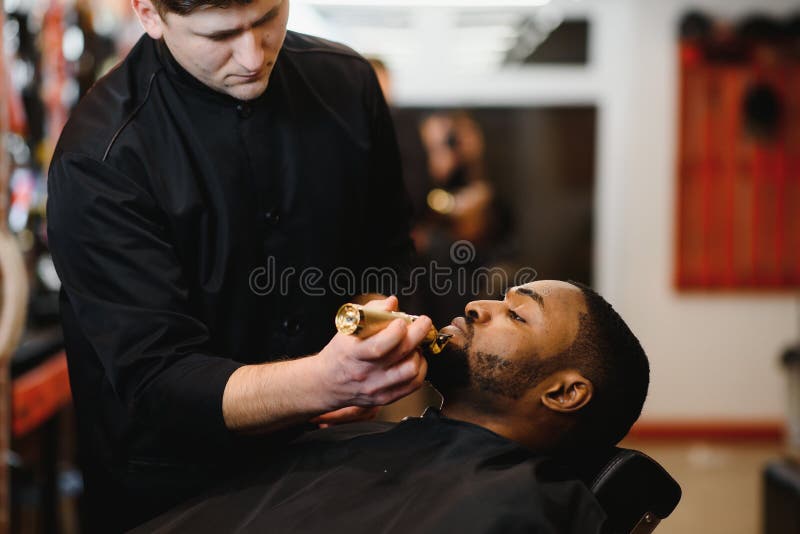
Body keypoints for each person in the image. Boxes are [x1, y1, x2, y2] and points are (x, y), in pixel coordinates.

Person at [46, 0, 429, 531]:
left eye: (267, 17)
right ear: (149, 14)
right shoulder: (101, 158)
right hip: (176, 496)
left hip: (337, 467)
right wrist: (323, 382)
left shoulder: (348, 85)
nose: (252, 56)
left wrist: (371, 333)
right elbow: (161, 379)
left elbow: (384, 254)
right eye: (220, 34)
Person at [134, 279, 650, 533]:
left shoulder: (518, 510)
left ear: (563, 393)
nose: (475, 306)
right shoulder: (359, 431)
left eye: (515, 316)